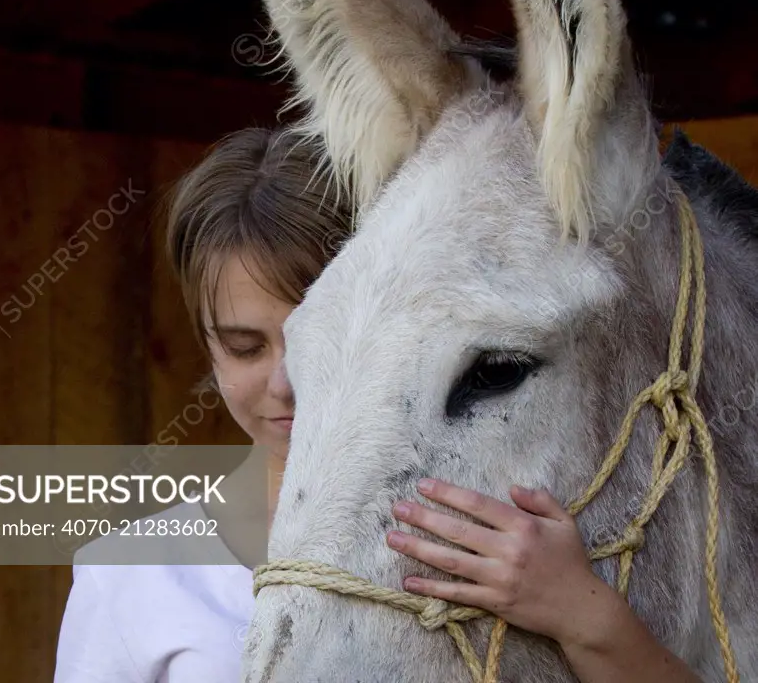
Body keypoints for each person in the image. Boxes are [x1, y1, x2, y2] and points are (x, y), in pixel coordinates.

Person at [53, 125, 701, 683]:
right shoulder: (132, 573)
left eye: (322, 337)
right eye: (244, 347)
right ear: (206, 346)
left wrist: (586, 615)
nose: (284, 383)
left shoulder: (508, 538)